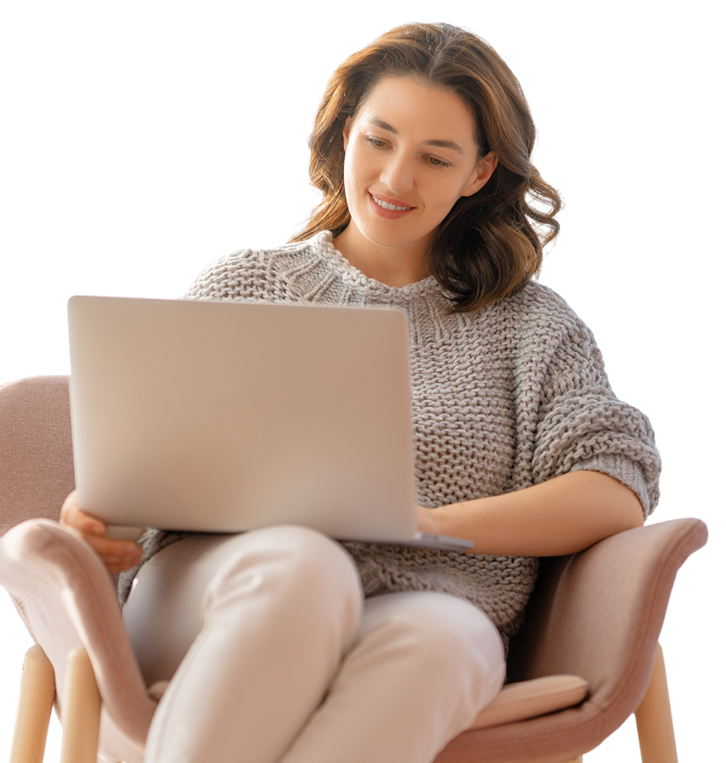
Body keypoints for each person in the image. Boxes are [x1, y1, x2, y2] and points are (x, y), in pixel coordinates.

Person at [60, 20, 663, 763]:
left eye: (435, 158)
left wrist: (424, 521)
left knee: (451, 641)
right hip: (218, 597)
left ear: (478, 173)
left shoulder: (536, 328)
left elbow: (613, 490)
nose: (395, 178)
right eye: (378, 140)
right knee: (304, 568)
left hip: (432, 604)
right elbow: (132, 479)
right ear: (343, 131)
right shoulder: (239, 286)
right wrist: (91, 516)